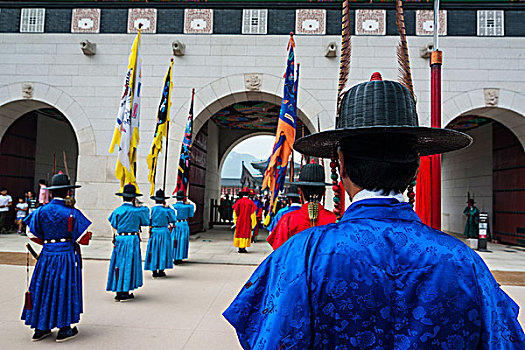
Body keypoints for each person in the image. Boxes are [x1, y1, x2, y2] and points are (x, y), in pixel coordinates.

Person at [224, 74, 525, 348]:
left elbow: (270, 337)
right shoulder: (463, 262)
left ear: (340, 163)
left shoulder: (304, 253)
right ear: (416, 167)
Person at [22, 172, 92, 342]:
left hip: (47, 254)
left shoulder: (40, 210)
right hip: (66, 254)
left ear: (51, 192)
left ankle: (40, 328)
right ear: (68, 192)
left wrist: (48, 243)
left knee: (43, 286)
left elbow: (30, 233)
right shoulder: (72, 212)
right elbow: (84, 238)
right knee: (64, 287)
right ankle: (64, 328)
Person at [267, 162, 336, 250]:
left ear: (299, 191)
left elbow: (278, 252)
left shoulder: (288, 220)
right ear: (324, 192)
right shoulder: (334, 219)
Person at [107, 184, 149, 302]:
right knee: (129, 263)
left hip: (120, 239)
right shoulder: (137, 211)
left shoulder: (117, 210)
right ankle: (125, 290)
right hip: (131, 239)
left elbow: (113, 223)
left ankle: (118, 290)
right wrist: (140, 205)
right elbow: (146, 221)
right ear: (133, 198)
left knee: (119, 263)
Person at [145, 189, 176, 278]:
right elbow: (173, 219)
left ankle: (154, 270)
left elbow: (148, 221)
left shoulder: (152, 209)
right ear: (163, 200)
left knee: (154, 250)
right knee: (163, 250)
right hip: (164, 231)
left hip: (154, 231)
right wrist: (168, 208)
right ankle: (161, 270)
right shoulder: (166, 210)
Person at [171, 190, 195, 265]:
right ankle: (180, 257)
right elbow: (191, 215)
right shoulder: (188, 206)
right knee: (182, 241)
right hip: (184, 224)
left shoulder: (173, 206)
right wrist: (188, 203)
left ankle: (175, 256)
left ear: (176, 198)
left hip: (176, 224)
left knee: (175, 240)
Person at [232, 187, 257, 253]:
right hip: (247, 221)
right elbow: (253, 215)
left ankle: (240, 247)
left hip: (240, 221)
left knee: (239, 233)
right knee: (245, 233)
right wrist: (253, 224)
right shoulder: (250, 202)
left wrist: (235, 221)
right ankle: (243, 247)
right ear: (248, 194)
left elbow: (235, 213)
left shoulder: (238, 201)